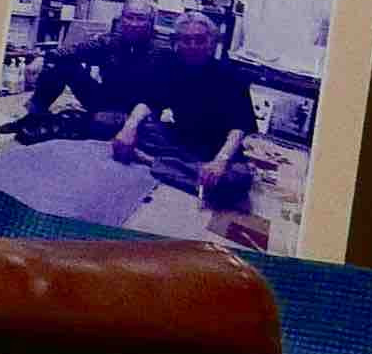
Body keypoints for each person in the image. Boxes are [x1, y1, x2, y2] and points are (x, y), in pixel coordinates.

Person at [105, 11, 260, 207]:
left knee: (239, 180)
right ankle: (193, 173)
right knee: (129, 126)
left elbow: (239, 127)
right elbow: (148, 100)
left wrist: (220, 160)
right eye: (187, 40)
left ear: (212, 42)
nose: (193, 46)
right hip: (181, 140)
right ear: (177, 42)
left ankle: (151, 161)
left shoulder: (231, 75)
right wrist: (129, 128)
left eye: (200, 40)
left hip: (217, 149)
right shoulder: (169, 66)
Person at [9, 6, 162, 137]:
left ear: (150, 22)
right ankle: (34, 115)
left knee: (78, 126)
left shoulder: (161, 52)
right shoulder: (110, 42)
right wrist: (43, 58)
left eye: (141, 18)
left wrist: (130, 120)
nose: (134, 24)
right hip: (104, 100)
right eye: (130, 17)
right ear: (122, 19)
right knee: (62, 63)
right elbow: (73, 51)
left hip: (136, 113)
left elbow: (158, 100)